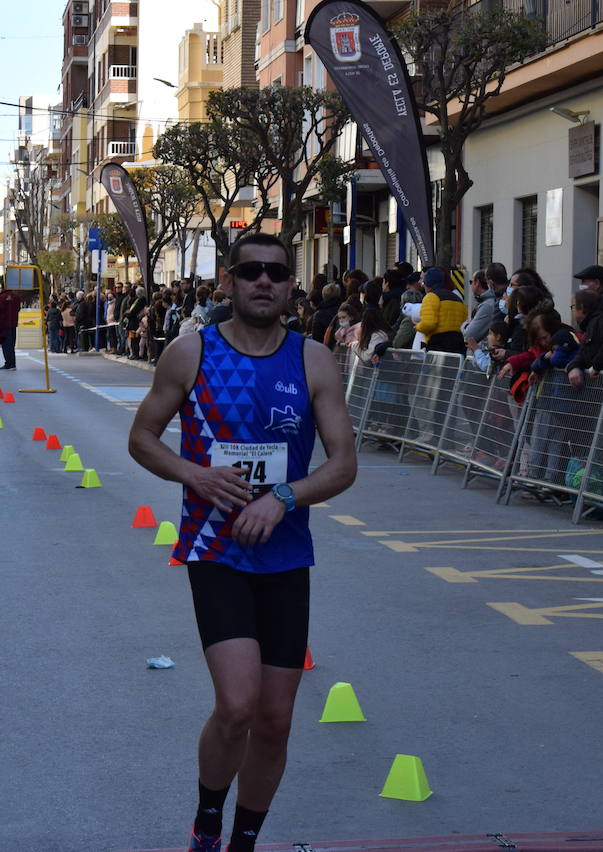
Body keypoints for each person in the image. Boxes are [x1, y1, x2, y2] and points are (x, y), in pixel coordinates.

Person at [127, 233, 357, 852]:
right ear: (228, 281)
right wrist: (196, 475)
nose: (264, 281)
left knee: (276, 721)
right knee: (237, 704)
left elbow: (343, 465)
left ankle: (244, 841)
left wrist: (283, 497)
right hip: (215, 548)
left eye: (276, 273)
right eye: (251, 271)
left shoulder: (313, 360)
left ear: (290, 286)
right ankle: (208, 818)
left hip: (286, 555)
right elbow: (143, 437)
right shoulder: (190, 352)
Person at [416, 267, 468, 354]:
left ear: (427, 284)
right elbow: (464, 321)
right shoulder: (457, 299)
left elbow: (429, 324)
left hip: (437, 345)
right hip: (458, 344)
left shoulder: (431, 297)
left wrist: (418, 326)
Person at [0, 282, 21, 370]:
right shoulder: (16, 297)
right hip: (13, 323)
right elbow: (18, 309)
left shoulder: (1, 297)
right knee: (12, 344)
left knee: (6, 345)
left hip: (4, 324)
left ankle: (9, 364)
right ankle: (12, 363)